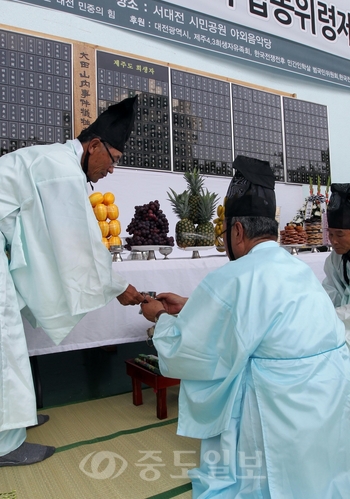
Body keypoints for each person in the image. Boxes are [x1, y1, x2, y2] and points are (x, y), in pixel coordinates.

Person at [141, 155, 350, 498]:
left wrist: (161, 319)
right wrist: (192, 306)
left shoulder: (233, 276)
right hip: (328, 398)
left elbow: (190, 350)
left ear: (236, 230)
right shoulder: (297, 268)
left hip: (277, 406)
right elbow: (264, 320)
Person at [0, 96, 144, 466]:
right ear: (94, 145)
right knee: (5, 340)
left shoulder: (59, 163)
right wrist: (119, 288)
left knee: (8, 336)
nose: (112, 170)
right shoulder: (61, 170)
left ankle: (14, 422)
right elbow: (75, 246)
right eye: (113, 160)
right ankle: (5, 444)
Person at [322, 183, 350, 348]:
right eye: (330, 234)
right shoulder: (335, 259)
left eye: (340, 234)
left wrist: (334, 316)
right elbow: (329, 290)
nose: (334, 241)